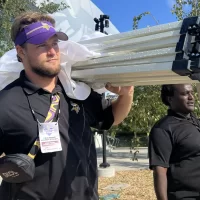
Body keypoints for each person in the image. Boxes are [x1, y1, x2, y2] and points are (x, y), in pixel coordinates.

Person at [0, 11, 133, 200]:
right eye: (41, 45)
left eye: (54, 43)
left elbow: (111, 118)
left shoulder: (77, 91)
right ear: (21, 51)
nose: (53, 51)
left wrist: (127, 94)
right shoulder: (6, 103)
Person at [149, 84, 200, 200]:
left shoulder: (195, 121)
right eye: (185, 94)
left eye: (192, 93)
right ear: (170, 99)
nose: (191, 97)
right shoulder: (163, 129)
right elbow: (160, 171)